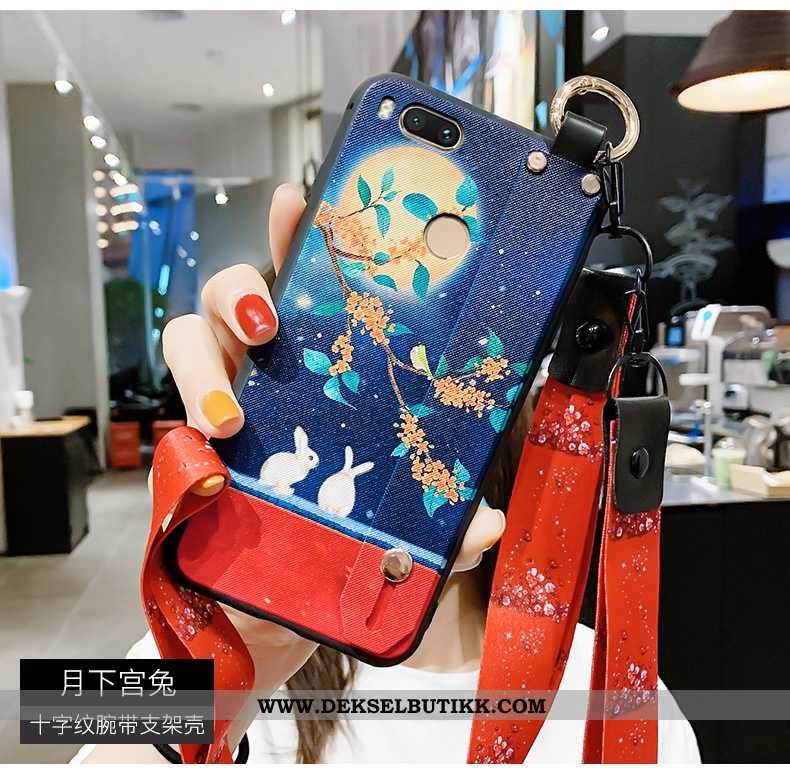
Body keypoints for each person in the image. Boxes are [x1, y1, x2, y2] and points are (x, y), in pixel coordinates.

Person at [76, 183, 700, 764]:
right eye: (343, 401)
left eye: (427, 389)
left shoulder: (618, 696)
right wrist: (229, 673)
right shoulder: (187, 645)